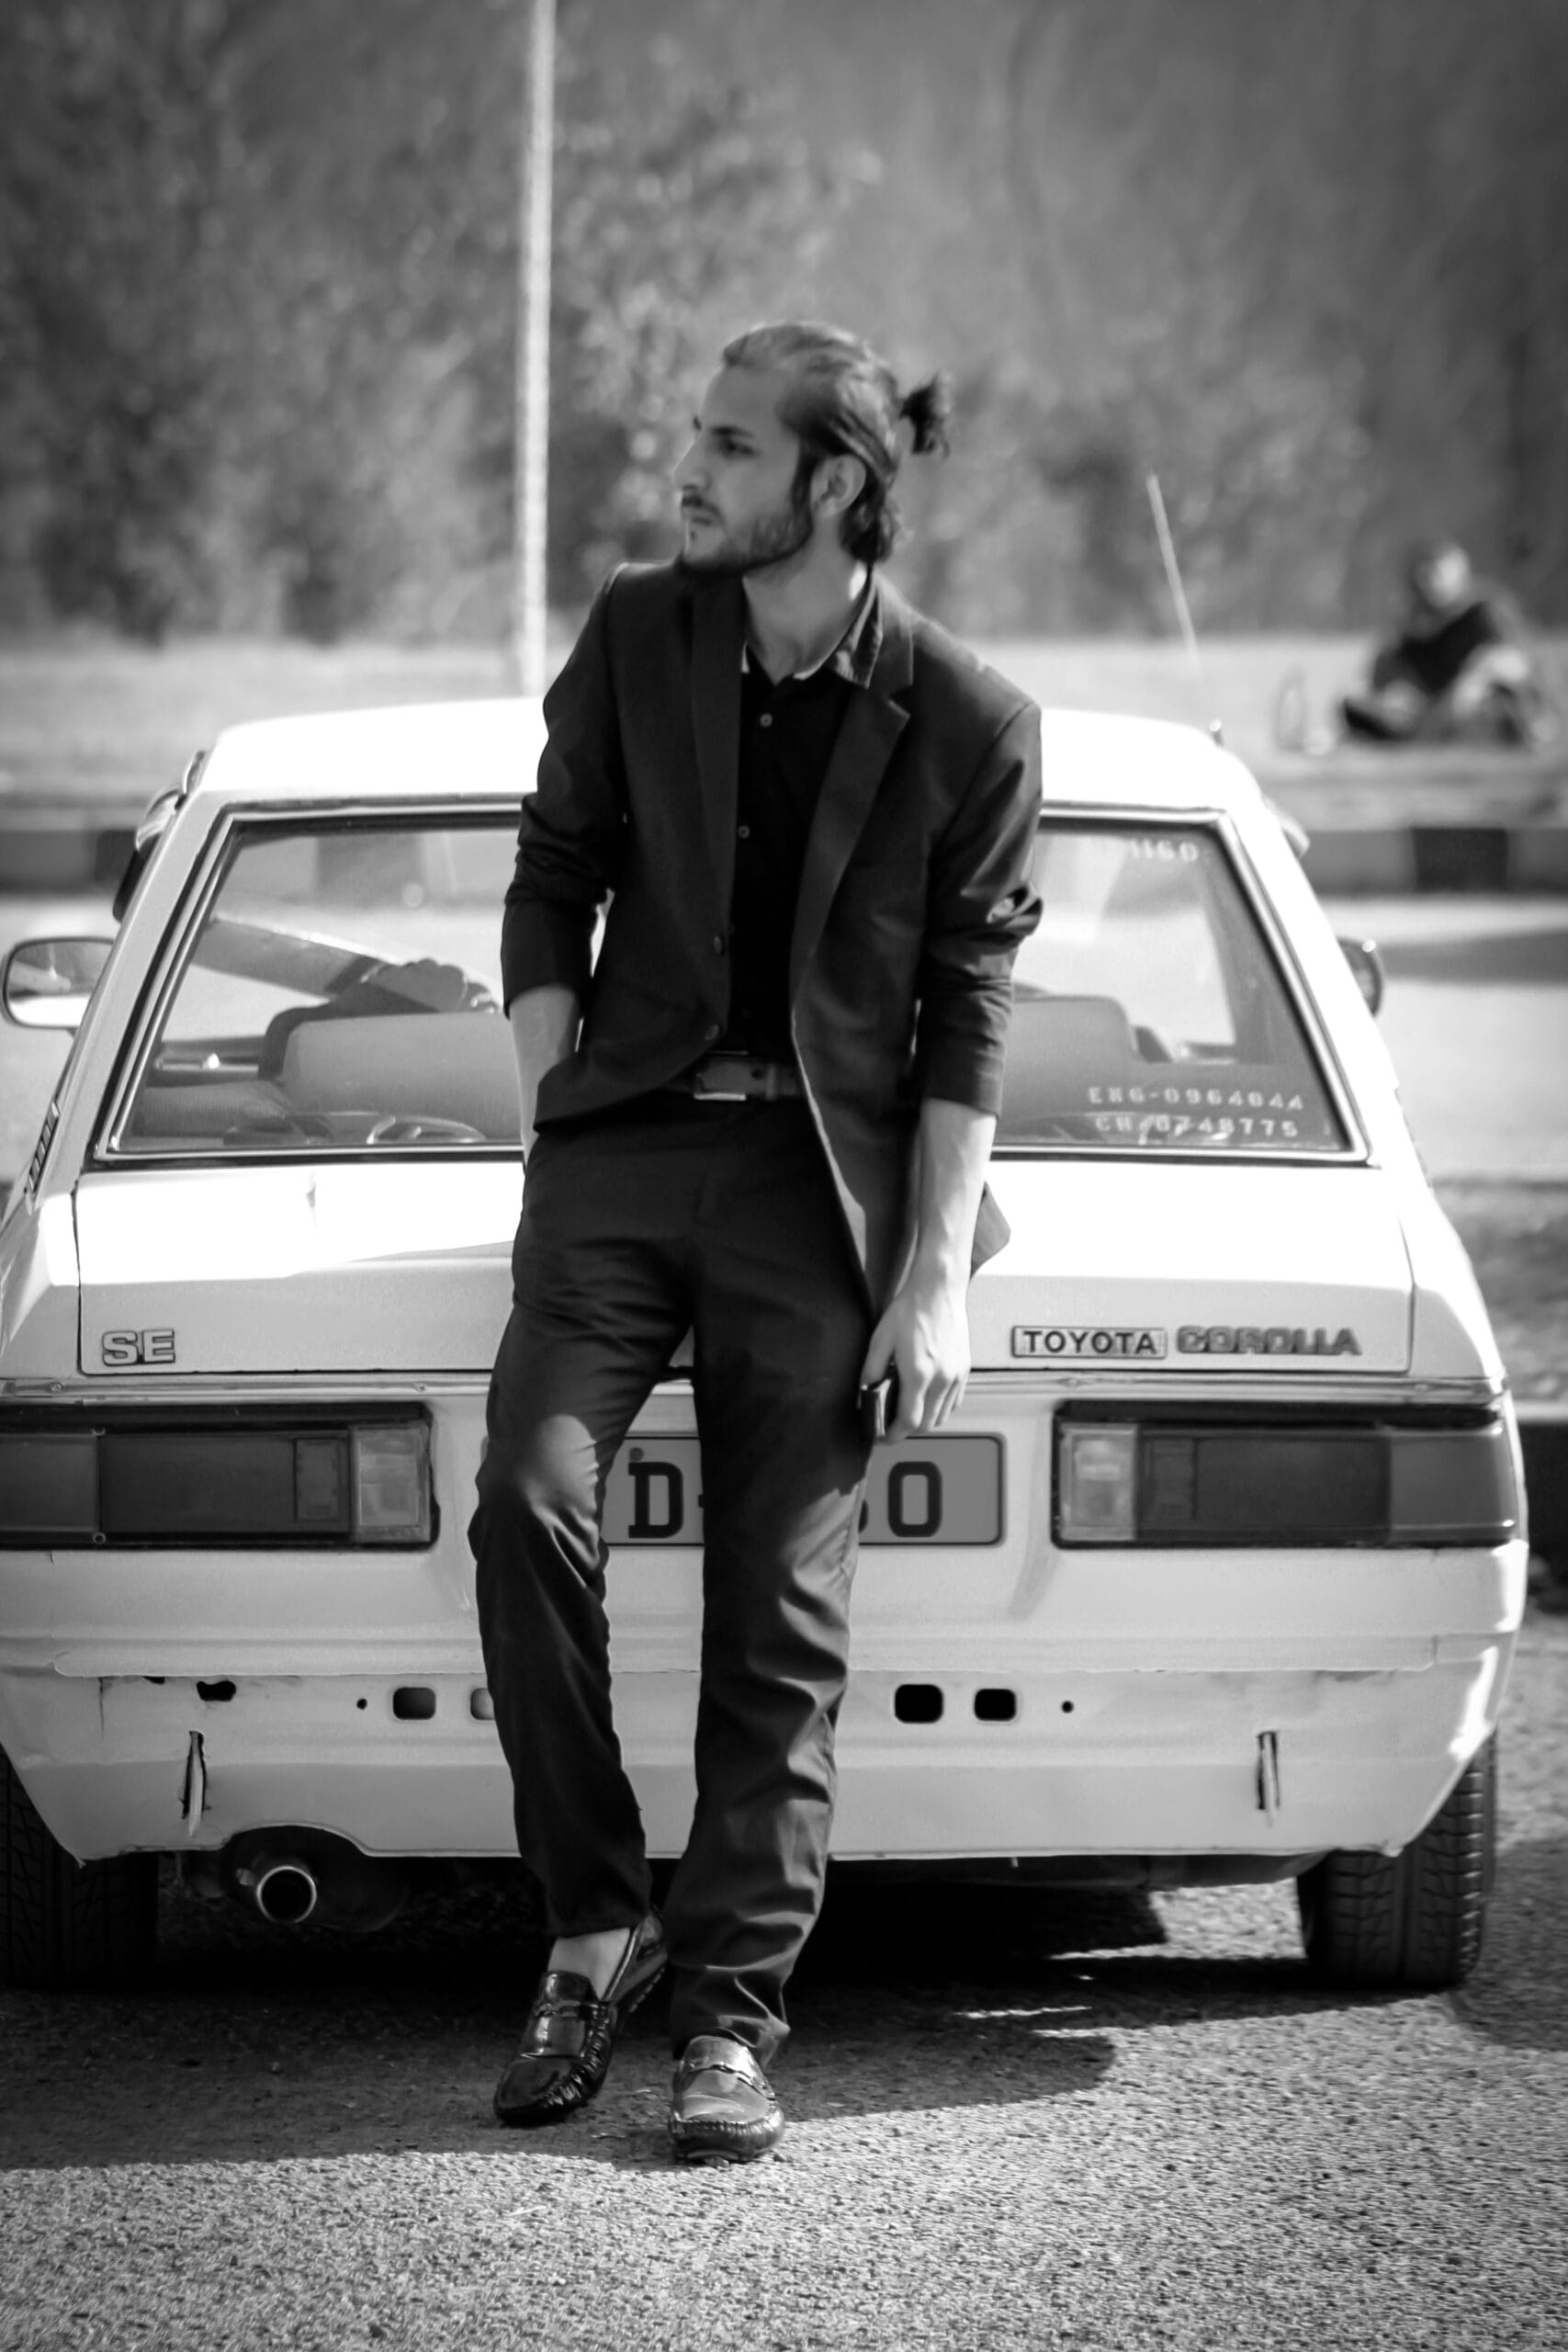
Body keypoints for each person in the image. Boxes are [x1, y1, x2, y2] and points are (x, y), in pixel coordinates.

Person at [468, 321, 1042, 2164]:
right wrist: (562, 1075)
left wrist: (932, 1270)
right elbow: (553, 863)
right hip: (621, 1163)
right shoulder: (642, 623)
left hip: (821, 1198)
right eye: (693, 439)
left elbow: (965, 1013)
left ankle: (727, 2022)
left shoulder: (968, 718)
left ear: (837, 487)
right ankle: (591, 1918)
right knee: (524, 1500)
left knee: (775, 1615)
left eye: (727, 444)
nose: (687, 470)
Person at [1339, 537, 1549, 746]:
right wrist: (1393, 695)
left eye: (1436, 573)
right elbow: (1384, 676)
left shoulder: (1484, 614)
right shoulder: (1411, 628)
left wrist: (1472, 682)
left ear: (1459, 573)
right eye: (1422, 575)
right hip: (1427, 717)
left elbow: (1513, 664)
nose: (1428, 583)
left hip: (1484, 710)